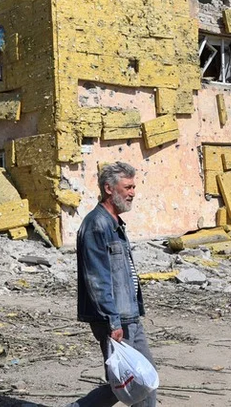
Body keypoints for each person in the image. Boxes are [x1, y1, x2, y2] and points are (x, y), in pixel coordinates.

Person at [67, 161, 157, 407]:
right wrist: (112, 320)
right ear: (109, 188)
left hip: (129, 315)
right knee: (132, 378)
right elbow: (97, 279)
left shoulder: (114, 223)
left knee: (140, 376)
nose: (132, 193)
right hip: (115, 318)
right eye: (127, 187)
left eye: (133, 187)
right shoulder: (97, 225)